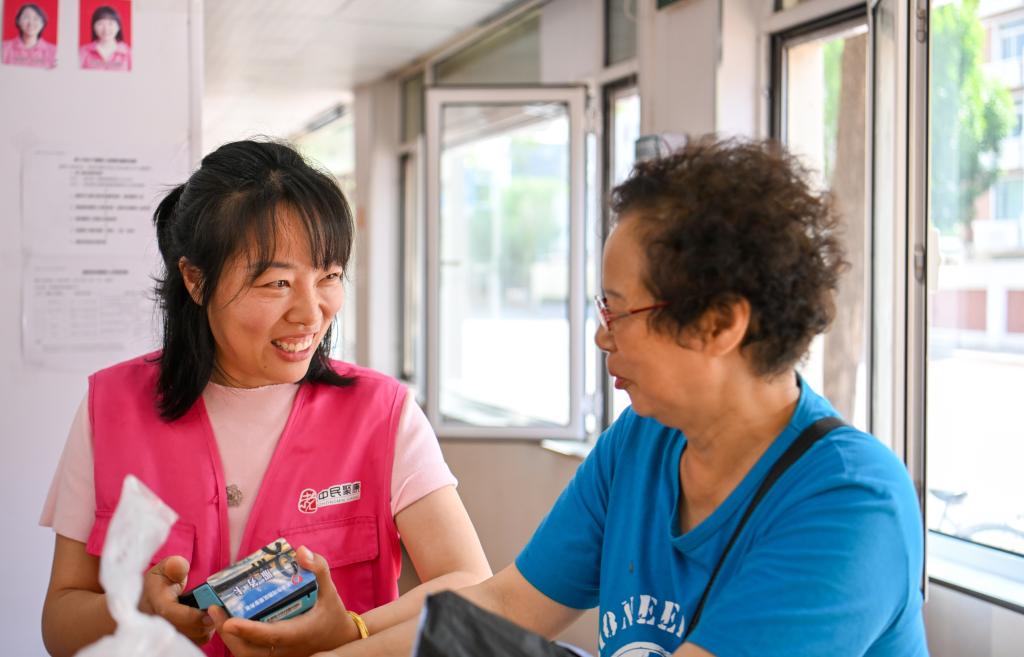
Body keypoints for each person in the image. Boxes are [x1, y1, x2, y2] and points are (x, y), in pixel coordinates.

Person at [308, 137, 929, 657]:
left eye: (620, 310)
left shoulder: (850, 500)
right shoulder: (641, 441)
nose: (602, 335)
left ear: (719, 324)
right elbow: (509, 604)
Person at [40, 140, 492, 657]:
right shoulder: (110, 408)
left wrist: (352, 632)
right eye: (277, 283)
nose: (310, 313)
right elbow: (60, 624)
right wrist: (134, 606)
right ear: (196, 280)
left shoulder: (383, 413)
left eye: (329, 277)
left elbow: (471, 584)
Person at [1, 3, 57, 69]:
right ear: (18, 21)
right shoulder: (4, 48)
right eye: (26, 17)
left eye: (36, 18)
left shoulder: (53, 51)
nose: (31, 23)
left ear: (43, 23)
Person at [79, 4, 131, 71]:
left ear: (118, 27)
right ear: (93, 27)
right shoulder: (83, 51)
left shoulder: (128, 53)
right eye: (100, 24)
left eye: (110, 24)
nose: (106, 29)